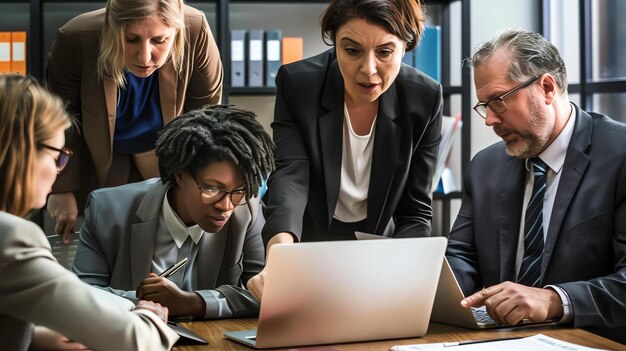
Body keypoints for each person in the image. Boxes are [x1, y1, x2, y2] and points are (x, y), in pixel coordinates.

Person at [248, 0, 443, 300]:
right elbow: (291, 175)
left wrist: (405, 278)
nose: (368, 69)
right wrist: (280, 255)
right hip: (304, 242)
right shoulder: (299, 83)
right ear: (335, 43)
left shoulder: (424, 98)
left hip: (377, 252)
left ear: (406, 46)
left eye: (385, 52)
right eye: (352, 50)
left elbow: (415, 211)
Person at [446, 28, 626, 342]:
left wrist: (555, 300)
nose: (489, 120)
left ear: (546, 87)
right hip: (496, 341)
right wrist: (426, 282)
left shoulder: (620, 155)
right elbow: (462, 257)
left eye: (498, 101)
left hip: (593, 341)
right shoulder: (485, 165)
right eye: (484, 106)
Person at [0, 74, 178, 350]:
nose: (59, 171)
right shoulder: (11, 238)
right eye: (57, 155)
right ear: (22, 152)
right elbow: (133, 341)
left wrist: (33, 339)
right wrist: (149, 317)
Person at [72, 105, 275, 319]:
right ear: (180, 175)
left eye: (238, 191)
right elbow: (81, 295)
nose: (226, 206)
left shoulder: (248, 212)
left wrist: (194, 303)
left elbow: (268, 294)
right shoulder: (106, 209)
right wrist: (145, 301)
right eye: (212, 188)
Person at [46, 0, 223, 243]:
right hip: (101, 151)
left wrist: (196, 186)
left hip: (168, 147)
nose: (145, 56)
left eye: (159, 41)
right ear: (113, 28)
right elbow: (62, 117)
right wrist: (61, 186)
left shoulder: (196, 29)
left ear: (177, 32)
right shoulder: (76, 38)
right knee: (108, 233)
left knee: (165, 235)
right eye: (131, 39)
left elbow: (204, 114)